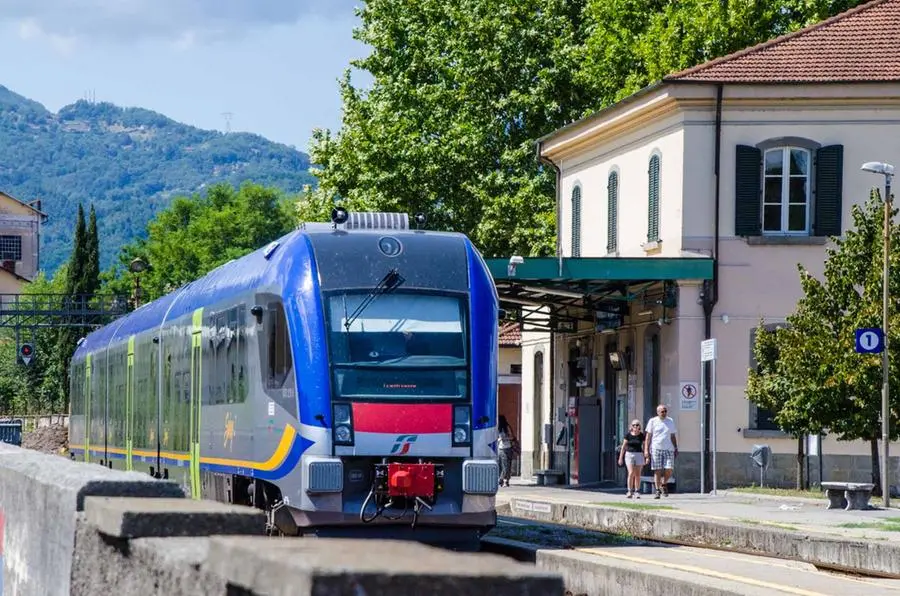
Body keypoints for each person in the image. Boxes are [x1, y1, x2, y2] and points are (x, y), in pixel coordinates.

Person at [643, 404, 678, 499]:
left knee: (669, 468)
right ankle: (657, 490)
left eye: (665, 411)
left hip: (668, 448)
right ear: (658, 412)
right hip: (656, 448)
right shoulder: (653, 421)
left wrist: (675, 447)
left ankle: (664, 483)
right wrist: (646, 450)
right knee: (657, 470)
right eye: (662, 411)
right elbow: (648, 437)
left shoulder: (670, 421)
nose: (664, 413)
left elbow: (672, 436)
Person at [618, 419, 645, 498]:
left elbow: (645, 445)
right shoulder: (628, 435)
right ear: (631, 426)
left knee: (638, 474)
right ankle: (629, 490)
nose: (635, 426)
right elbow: (623, 447)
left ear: (639, 426)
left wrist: (646, 455)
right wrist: (620, 458)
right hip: (629, 454)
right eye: (633, 425)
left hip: (639, 454)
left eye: (637, 425)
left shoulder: (641, 435)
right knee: (631, 473)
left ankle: (637, 491)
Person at [498, 415, 516, 487]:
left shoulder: (506, 427)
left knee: (506, 465)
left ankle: (503, 479)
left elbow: (512, 437)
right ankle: (504, 480)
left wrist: (505, 438)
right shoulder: (498, 428)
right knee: (503, 465)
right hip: (502, 448)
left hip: (506, 448)